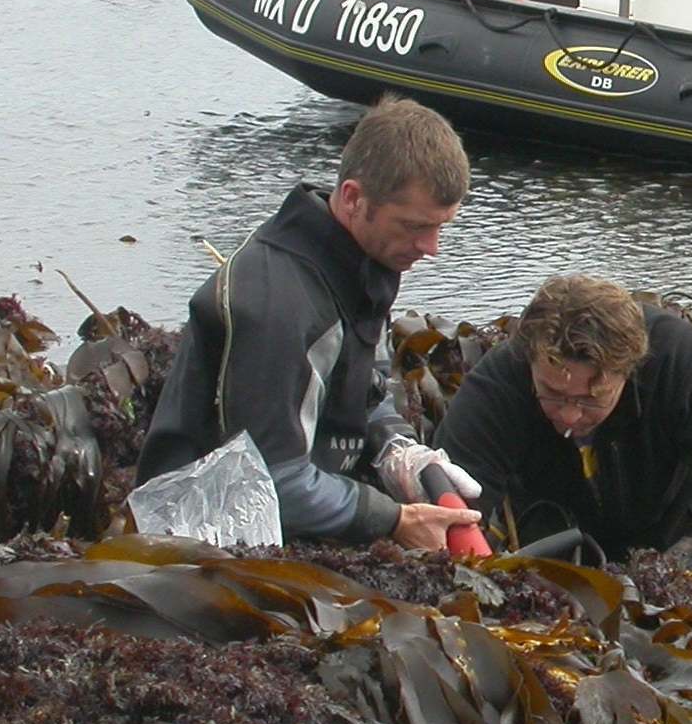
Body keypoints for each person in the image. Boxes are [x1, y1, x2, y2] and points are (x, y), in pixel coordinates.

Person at [138, 96, 483, 549]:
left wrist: (402, 452)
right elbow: (271, 481)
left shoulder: (359, 263)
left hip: (304, 514)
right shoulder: (277, 303)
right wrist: (393, 518)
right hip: (203, 534)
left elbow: (364, 394)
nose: (432, 247)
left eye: (442, 227)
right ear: (353, 198)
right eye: (415, 226)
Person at [431, 274, 692, 588]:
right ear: (530, 363)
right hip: (548, 547)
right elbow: (454, 503)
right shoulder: (499, 382)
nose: (571, 416)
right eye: (553, 394)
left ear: (630, 369)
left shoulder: (682, 363)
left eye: (591, 399)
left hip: (669, 540)